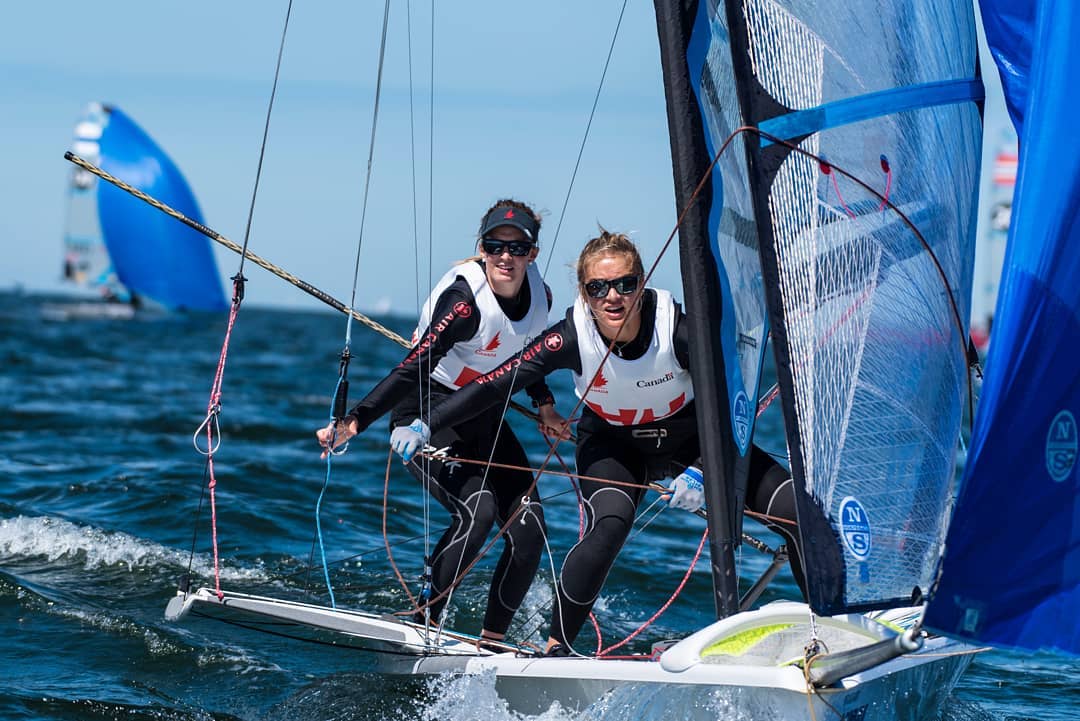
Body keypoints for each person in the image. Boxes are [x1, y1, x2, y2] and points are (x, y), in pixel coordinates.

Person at [390, 229, 805, 656]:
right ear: (585, 294)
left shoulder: (681, 332)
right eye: (598, 287)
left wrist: (701, 468)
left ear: (641, 285)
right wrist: (427, 423)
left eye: (626, 284)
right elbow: (495, 385)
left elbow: (727, 404)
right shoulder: (570, 337)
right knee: (607, 528)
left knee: (799, 516)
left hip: (696, 445)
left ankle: (827, 628)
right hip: (612, 447)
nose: (613, 297)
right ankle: (558, 649)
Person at [317, 199, 568, 651]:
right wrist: (355, 421)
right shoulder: (464, 304)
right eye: (495, 246)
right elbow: (413, 367)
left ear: (533, 252)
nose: (505, 257)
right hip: (423, 410)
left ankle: (492, 645)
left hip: (482, 414)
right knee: (480, 511)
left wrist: (546, 406)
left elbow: (531, 359)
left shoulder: (542, 296)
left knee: (530, 531)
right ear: (483, 248)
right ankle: (423, 622)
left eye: (517, 248)